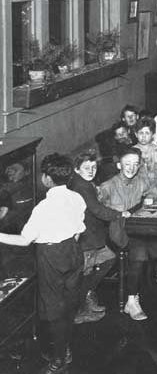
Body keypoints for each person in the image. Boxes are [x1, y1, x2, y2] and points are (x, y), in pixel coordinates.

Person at [0, 154, 85, 374]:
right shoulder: (77, 198)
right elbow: (77, 231)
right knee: (67, 305)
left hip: (51, 257)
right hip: (74, 252)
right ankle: (63, 348)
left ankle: (59, 359)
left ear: (46, 178)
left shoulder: (43, 208)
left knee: (54, 311)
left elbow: (23, 240)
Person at [98, 147, 157, 320]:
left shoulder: (140, 180)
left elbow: (153, 189)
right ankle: (131, 300)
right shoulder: (108, 186)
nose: (131, 168)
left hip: (139, 228)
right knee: (139, 252)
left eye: (135, 164)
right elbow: (97, 207)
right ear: (118, 165)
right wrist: (115, 211)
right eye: (127, 164)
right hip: (119, 230)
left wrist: (150, 196)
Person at [69, 152, 128, 325]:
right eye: (86, 168)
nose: (91, 171)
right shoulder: (82, 186)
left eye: (94, 167)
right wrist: (119, 213)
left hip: (92, 237)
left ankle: (87, 295)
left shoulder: (84, 183)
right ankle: (79, 312)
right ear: (76, 169)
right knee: (84, 274)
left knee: (108, 259)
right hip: (86, 239)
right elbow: (97, 210)